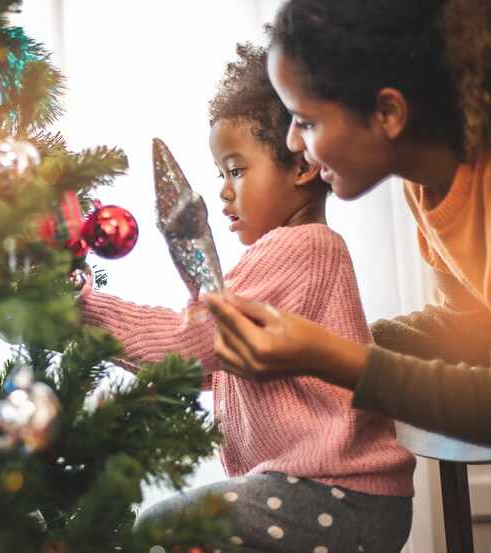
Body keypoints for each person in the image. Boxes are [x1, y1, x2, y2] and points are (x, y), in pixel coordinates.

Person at [79, 44, 414, 552]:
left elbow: (192, 342)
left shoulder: (298, 247)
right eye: (220, 175)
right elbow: (215, 363)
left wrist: (81, 311)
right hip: (334, 498)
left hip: (339, 497)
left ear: (301, 167)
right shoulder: (297, 251)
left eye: (236, 170)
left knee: (163, 528)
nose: (223, 194)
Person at [206, 0, 491, 446]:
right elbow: (472, 333)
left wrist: (331, 357)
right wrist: (330, 341)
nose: (292, 141)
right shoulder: (425, 188)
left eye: (306, 121)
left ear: (388, 114)